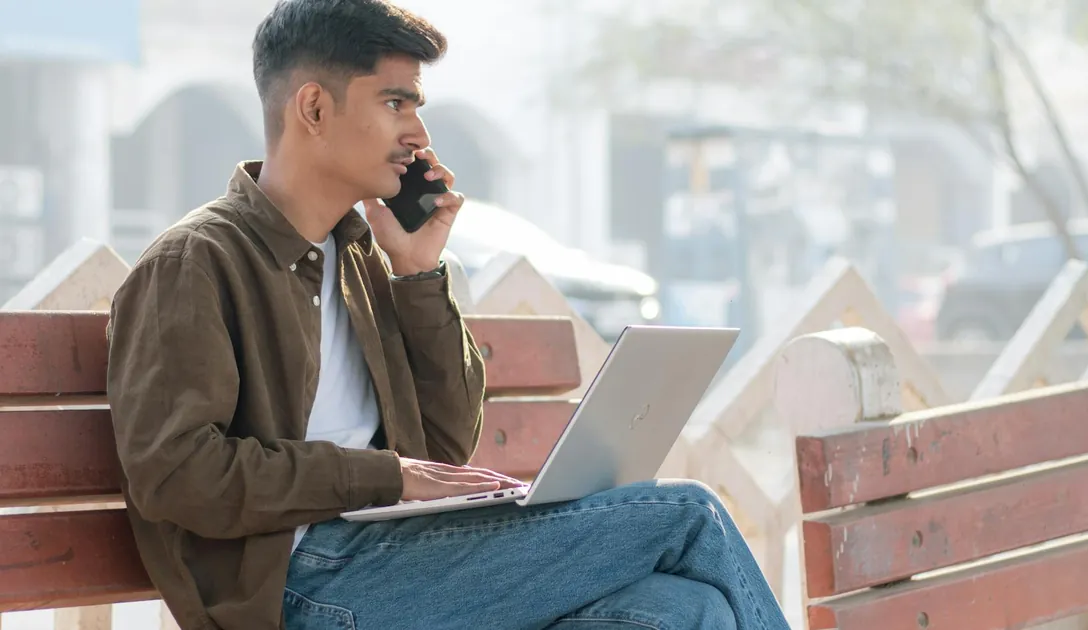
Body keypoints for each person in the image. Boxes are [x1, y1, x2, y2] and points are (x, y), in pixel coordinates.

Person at [106, 1, 792, 628]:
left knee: (678, 610)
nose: (418, 133)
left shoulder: (365, 261)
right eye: (396, 102)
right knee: (688, 514)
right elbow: (180, 477)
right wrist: (386, 477)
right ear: (313, 109)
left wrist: (419, 272)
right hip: (297, 588)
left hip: (396, 558)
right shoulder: (196, 262)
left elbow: (443, 447)